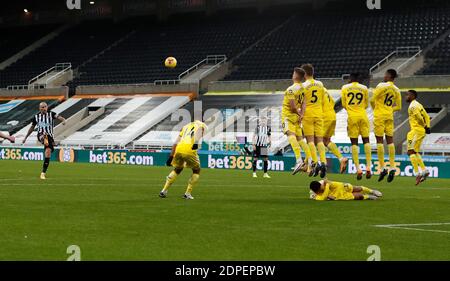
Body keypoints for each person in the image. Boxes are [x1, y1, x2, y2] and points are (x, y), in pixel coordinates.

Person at [160, 120, 207, 200]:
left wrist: (171, 156)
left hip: (179, 149)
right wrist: (195, 144)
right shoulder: (202, 125)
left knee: (178, 169)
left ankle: (163, 191)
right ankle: (187, 194)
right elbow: (199, 132)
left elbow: (175, 143)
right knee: (196, 170)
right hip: (190, 149)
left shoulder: (185, 126)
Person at [371, 69, 402, 182]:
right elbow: (398, 107)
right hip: (389, 116)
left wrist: (376, 109)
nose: (384, 76)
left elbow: (372, 100)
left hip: (379, 116)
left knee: (379, 141)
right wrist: (389, 109)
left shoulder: (381, 85)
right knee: (390, 141)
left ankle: (383, 168)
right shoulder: (397, 89)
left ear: (389, 76)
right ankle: (393, 167)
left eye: (385, 74)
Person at [22, 102, 66, 179]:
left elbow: (59, 117)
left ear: (47, 107)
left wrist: (63, 120)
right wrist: (25, 137)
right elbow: (32, 128)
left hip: (50, 137)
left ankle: (43, 173)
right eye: (42, 107)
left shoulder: (51, 114)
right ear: (39, 108)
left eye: (45, 107)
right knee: (44, 135)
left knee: (48, 152)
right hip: (41, 135)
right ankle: (47, 142)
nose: (44, 108)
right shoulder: (36, 117)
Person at [341, 73, 372, 180]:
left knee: (354, 143)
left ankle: (358, 169)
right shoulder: (364, 88)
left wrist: (351, 109)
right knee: (366, 141)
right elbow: (367, 104)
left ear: (350, 79)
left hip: (352, 117)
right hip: (363, 115)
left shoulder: (345, 88)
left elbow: (344, 104)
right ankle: (368, 167)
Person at [281, 67, 312, 175]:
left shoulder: (290, 89)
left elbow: (293, 107)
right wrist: (302, 114)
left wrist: (299, 113)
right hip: (297, 118)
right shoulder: (303, 88)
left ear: (295, 76)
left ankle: (299, 160)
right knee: (300, 140)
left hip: (288, 116)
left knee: (291, 136)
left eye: (293, 73)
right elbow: (304, 103)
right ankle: (310, 160)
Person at [301, 63, 327, 178]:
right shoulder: (320, 84)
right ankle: (324, 162)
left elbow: (301, 102)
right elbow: (322, 99)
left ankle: (315, 162)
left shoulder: (303, 86)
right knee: (320, 141)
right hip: (319, 113)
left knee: (310, 141)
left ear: (305, 74)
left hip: (308, 115)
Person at [405, 90, 431, 185]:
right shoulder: (419, 105)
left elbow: (420, 117)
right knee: (415, 152)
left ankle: (417, 173)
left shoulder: (412, 106)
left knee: (410, 151)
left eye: (407, 95)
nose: (406, 97)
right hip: (420, 131)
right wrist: (428, 127)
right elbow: (427, 116)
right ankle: (424, 170)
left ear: (412, 96)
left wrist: (424, 125)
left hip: (415, 131)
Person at [322, 87, 348, 174]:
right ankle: (341, 158)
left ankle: (319, 164)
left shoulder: (311, 89)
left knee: (316, 140)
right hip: (332, 115)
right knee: (326, 141)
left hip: (324, 117)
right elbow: (333, 102)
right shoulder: (324, 89)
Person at [309, 179, 382, 201]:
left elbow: (337, 185)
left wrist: (327, 184)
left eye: (321, 185)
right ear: (317, 191)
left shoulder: (323, 183)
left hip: (342, 187)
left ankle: (372, 191)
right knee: (359, 196)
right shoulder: (316, 195)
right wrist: (327, 184)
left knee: (357, 188)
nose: (322, 186)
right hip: (340, 195)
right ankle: (369, 196)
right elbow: (323, 198)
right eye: (321, 188)